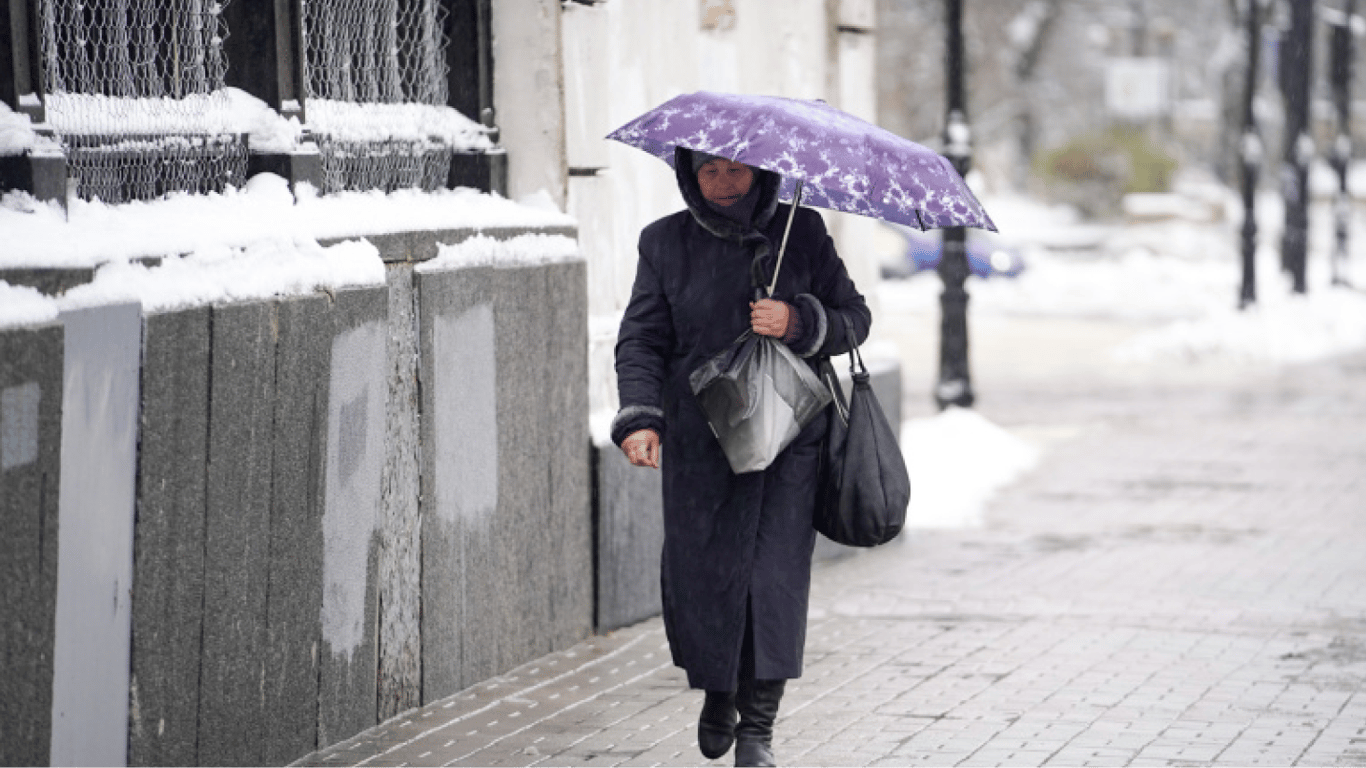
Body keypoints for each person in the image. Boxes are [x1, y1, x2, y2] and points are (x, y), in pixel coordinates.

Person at [610, 147, 871, 768]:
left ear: (760, 173)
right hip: (701, 442)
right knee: (703, 579)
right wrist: (640, 418)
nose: (723, 183)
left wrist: (799, 320)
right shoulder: (663, 242)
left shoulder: (799, 230)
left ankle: (757, 728)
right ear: (689, 177)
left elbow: (855, 318)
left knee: (771, 578)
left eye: (734, 170)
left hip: (788, 438)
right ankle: (719, 691)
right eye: (708, 172)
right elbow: (641, 338)